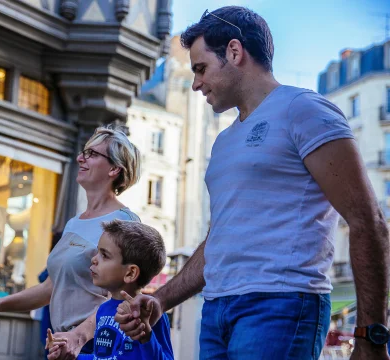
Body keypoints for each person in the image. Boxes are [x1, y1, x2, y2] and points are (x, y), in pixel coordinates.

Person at [110, 6, 389, 360]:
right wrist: (161, 299)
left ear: (234, 52)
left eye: (201, 68)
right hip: (216, 312)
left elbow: (369, 221)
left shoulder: (304, 109)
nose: (196, 82)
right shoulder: (225, 141)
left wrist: (370, 335)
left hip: (281, 305)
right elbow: (219, 242)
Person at [0, 124, 142, 356]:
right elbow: (50, 287)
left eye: (92, 154)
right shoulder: (74, 223)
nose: (81, 158)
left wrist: (78, 337)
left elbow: (123, 298)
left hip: (97, 345)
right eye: (83, 152)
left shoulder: (125, 222)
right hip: (63, 343)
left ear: (114, 170)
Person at [49, 219, 173, 360]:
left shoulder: (150, 313)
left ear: (130, 273)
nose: (94, 259)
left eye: (105, 255)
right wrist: (69, 356)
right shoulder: (103, 310)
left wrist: (146, 333)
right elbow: (102, 357)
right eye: (97, 252)